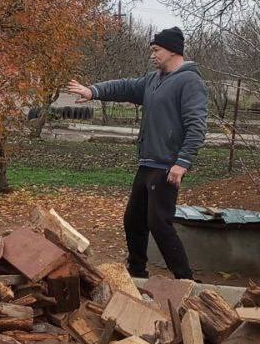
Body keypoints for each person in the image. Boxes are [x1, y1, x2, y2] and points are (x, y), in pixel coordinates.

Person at [67, 26, 208, 280]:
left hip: (167, 165)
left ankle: (185, 279)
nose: (152, 54)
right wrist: (93, 91)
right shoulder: (154, 80)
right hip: (147, 163)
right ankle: (137, 272)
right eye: (152, 50)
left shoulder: (189, 81)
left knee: (159, 223)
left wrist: (183, 162)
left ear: (173, 50)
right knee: (133, 220)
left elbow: (197, 125)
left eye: (156, 50)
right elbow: (125, 87)